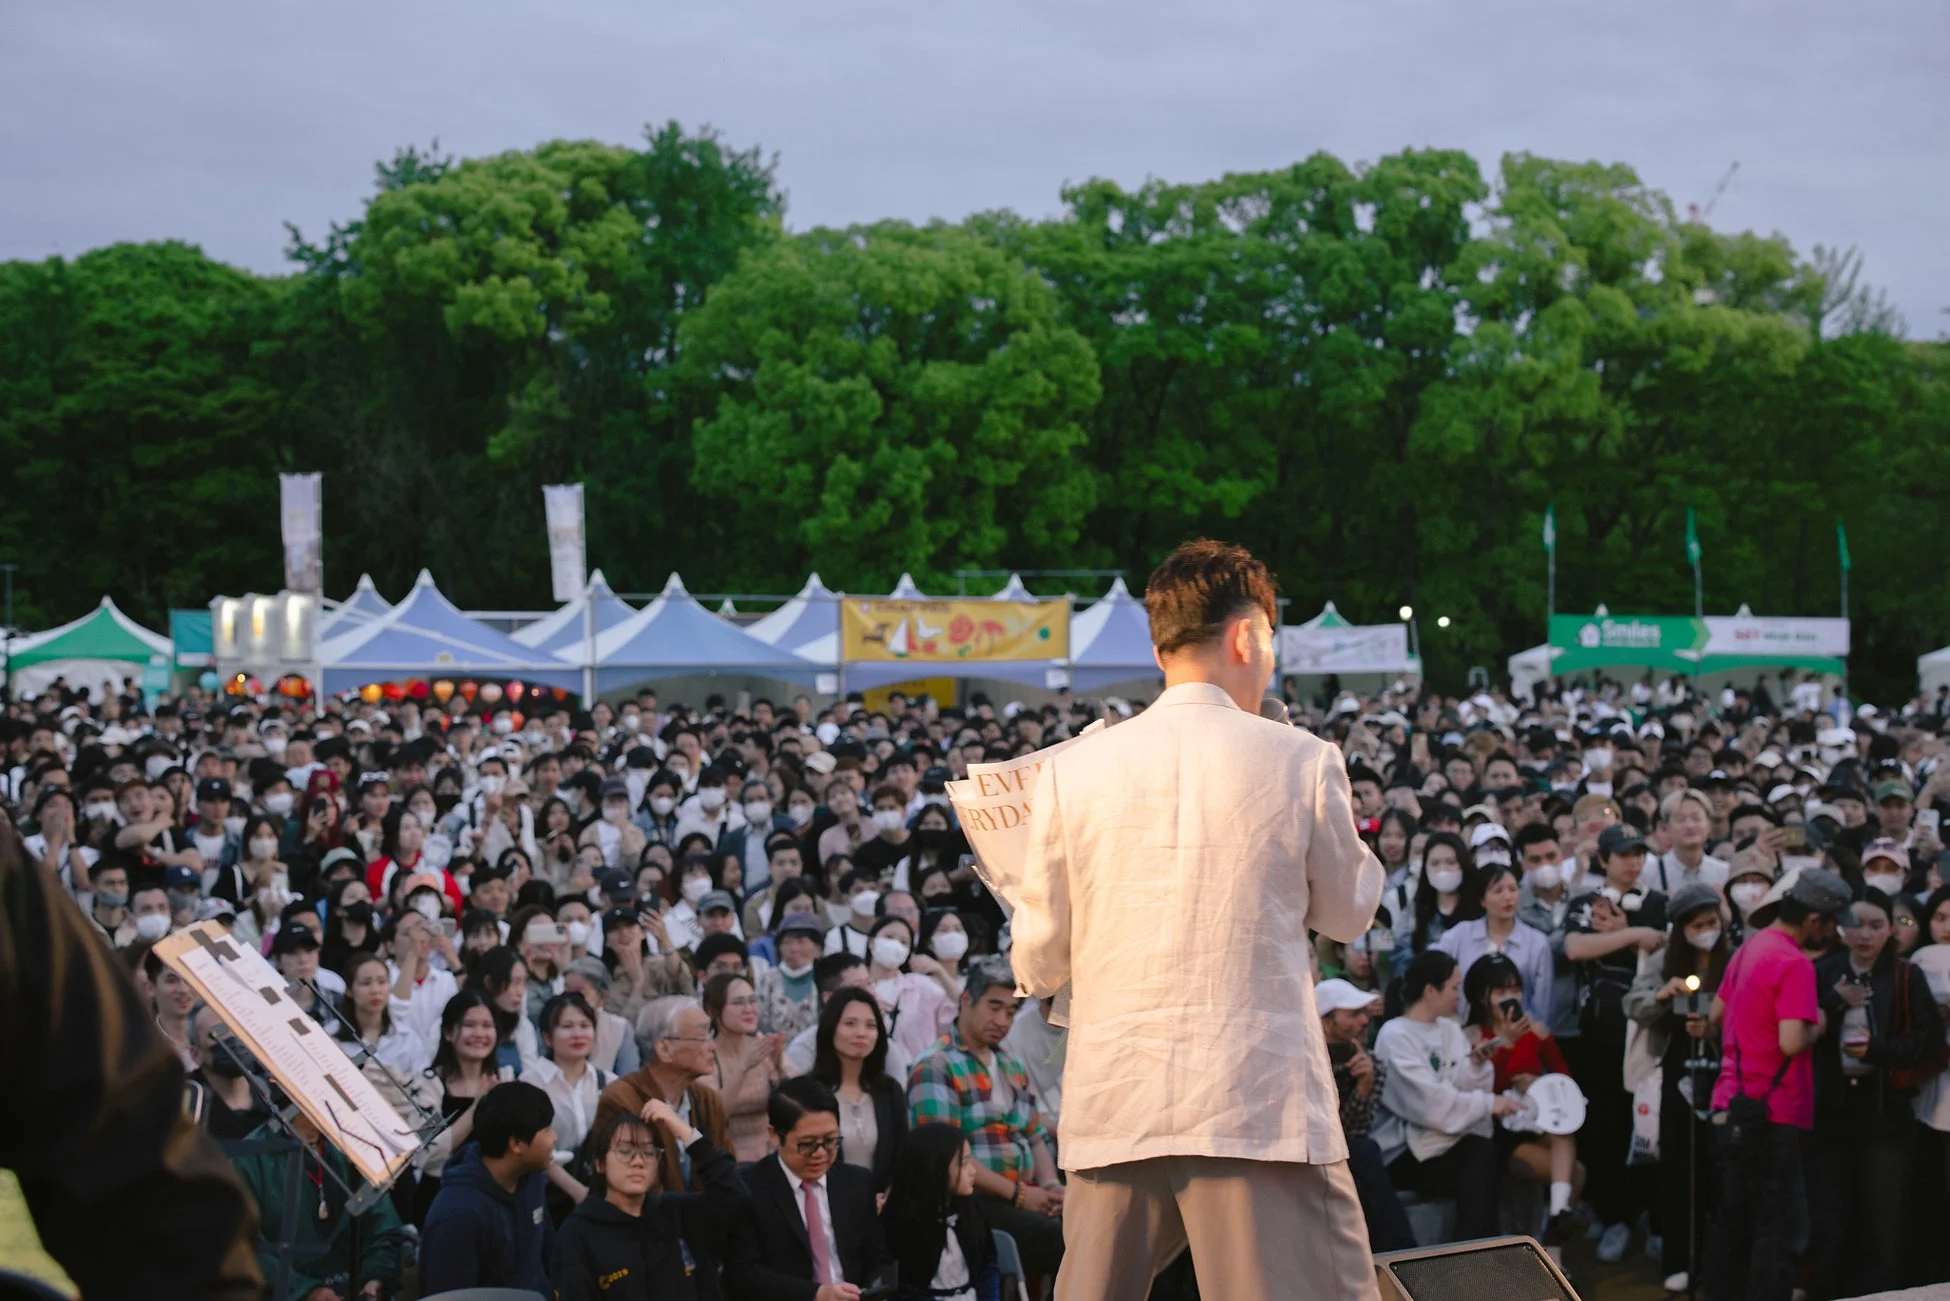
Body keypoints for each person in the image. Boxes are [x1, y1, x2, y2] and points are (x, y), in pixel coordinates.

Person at [1012, 540, 1383, 1299]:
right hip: (1253, 1103)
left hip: (1117, 1098)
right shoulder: (1300, 756)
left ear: (1158, 647)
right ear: (1248, 635)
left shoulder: (1072, 768)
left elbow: (1037, 963)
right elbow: (1349, 912)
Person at [1706, 867, 1851, 1301]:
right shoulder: (1794, 964)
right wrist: (1820, 1023)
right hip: (1775, 1111)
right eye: (1829, 923)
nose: (1830, 933)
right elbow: (1791, 1041)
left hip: (1730, 1101)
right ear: (1812, 919)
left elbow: (1715, 1015)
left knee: (1732, 1223)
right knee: (1776, 1228)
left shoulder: (1750, 948)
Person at [1806, 885, 1943, 1300]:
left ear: (1891, 930)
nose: (1864, 934)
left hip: (1886, 1115)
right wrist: (1832, 1003)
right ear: (1840, 927)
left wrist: (1879, 1051)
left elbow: (1929, 1041)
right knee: (1830, 1221)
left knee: (1884, 1223)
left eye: (1875, 925)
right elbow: (1799, 1032)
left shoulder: (1905, 975)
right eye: (1856, 924)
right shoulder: (1824, 971)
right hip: (1830, 1115)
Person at [908, 959, 1064, 1279]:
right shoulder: (935, 1065)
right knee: (1068, 1242)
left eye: (1010, 1012)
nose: (1002, 1020)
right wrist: (1021, 1195)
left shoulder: (1008, 1062)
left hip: (1024, 1193)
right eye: (994, 1007)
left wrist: (1050, 1186)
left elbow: (1033, 1133)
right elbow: (949, 1159)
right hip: (968, 1201)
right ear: (967, 1000)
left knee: (1107, 1231)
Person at [1563, 820, 1667, 1262]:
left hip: (1648, 1038)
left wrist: (1620, 937)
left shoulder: (1659, 902)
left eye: (1639, 853)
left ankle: (1652, 1216)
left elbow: (1665, 945)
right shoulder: (1586, 902)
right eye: (1624, 854)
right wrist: (1632, 936)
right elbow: (1574, 948)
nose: (1633, 862)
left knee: (1649, 1128)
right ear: (1604, 859)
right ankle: (1613, 1217)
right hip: (1598, 1038)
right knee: (1605, 1129)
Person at [1622, 881, 1728, 1294]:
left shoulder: (1732, 959)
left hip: (1723, 1070)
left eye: (1712, 922)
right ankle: (1678, 1259)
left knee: (1719, 1165)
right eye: (1698, 924)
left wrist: (1715, 1022)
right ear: (1681, 928)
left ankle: (1717, 1259)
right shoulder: (1666, 960)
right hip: (1676, 1066)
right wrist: (1662, 997)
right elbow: (1634, 1002)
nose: (1706, 930)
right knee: (1679, 1163)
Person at [1373, 950, 1519, 1242]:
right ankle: (1478, 1257)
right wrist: (1489, 1103)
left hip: (1448, 1139)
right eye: (1454, 987)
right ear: (1430, 991)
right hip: (1407, 1148)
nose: (1459, 995)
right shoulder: (1395, 1035)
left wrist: (1476, 1065)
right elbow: (1429, 1106)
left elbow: (1460, 1085)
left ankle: (1480, 1254)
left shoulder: (1450, 1028)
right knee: (1480, 1160)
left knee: (1488, 1153)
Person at [551, 1102, 751, 1301]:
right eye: (624, 1151)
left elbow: (735, 1196)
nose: (638, 1161)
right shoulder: (578, 1233)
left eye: (648, 1153)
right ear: (600, 1164)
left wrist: (685, 1133)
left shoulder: (676, 1211)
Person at [726, 1075, 895, 1300]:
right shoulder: (748, 1188)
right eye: (807, 1144)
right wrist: (816, 1294)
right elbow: (742, 1275)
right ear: (775, 1136)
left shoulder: (856, 1183)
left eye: (830, 1140)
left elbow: (877, 1258)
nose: (821, 1154)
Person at [1457, 953, 1581, 1239]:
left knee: (1565, 1135)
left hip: (1537, 1118)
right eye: (1501, 991)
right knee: (1574, 1173)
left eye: (1515, 990)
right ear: (1482, 996)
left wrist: (1538, 1083)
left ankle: (1558, 1221)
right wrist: (1505, 1045)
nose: (1510, 997)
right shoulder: (1473, 1036)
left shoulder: (1536, 1032)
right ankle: (1553, 1243)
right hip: (1498, 1126)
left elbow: (1564, 1081)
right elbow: (1477, 1081)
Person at [420, 1079, 559, 1296]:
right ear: (516, 1145)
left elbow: (549, 1254)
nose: (554, 1137)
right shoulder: (458, 1215)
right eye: (547, 1129)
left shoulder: (531, 1179)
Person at [1315, 979, 1416, 1252]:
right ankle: (1401, 1249)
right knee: (1363, 1156)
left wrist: (1363, 1088)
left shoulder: (1372, 1065)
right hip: (1311, 1151)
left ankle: (1397, 1252)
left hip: (1347, 1152)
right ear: (1325, 1023)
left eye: (1364, 1014)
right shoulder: (1305, 1065)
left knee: (1363, 1155)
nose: (1363, 1022)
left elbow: (1354, 1130)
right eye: (1353, 1015)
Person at [595, 998, 735, 1193]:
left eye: (711, 1034)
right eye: (702, 1036)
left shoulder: (707, 1100)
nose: (712, 1046)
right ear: (664, 1049)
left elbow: (726, 1171)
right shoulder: (621, 1099)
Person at [880, 1121, 1001, 1301]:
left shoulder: (972, 1212)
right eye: (964, 1163)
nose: (972, 1171)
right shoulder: (903, 1224)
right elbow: (904, 1287)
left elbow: (988, 1266)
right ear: (935, 1168)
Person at [811, 986, 908, 1194]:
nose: (861, 1033)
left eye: (871, 1025)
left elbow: (901, 1157)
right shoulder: (810, 1092)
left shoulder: (889, 1091)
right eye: (850, 1024)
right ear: (831, 1027)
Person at [522, 991, 616, 1204]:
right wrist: (576, 1191)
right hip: (544, 1196)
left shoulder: (609, 1082)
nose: (578, 1034)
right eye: (567, 1027)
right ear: (547, 1037)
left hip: (599, 1193)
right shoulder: (532, 1083)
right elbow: (531, 1148)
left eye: (584, 1026)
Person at [1436, 863, 1555, 1026]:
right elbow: (1432, 968)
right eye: (1498, 891)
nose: (1508, 897)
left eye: (1513, 889)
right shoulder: (1460, 935)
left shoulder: (1536, 942)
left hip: (1520, 1034)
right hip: (1466, 1032)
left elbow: (1542, 1004)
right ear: (1482, 900)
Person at [705, 971, 788, 1162]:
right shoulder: (706, 1054)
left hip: (772, 1156)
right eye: (738, 1002)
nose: (749, 1009)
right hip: (726, 1159)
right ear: (712, 1010)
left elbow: (796, 1107)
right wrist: (744, 1066)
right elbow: (714, 1116)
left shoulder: (763, 1045)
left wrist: (780, 1068)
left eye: (752, 1000)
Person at [185, 1001, 273, 1141]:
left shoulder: (279, 1097)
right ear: (196, 1054)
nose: (232, 1038)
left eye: (237, 1028)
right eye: (217, 1034)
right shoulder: (186, 1104)